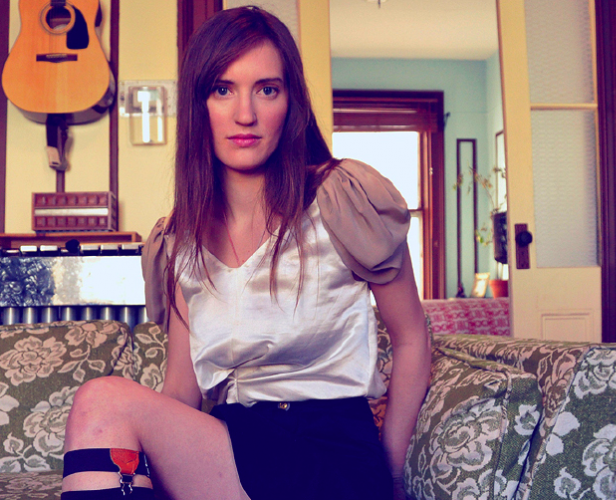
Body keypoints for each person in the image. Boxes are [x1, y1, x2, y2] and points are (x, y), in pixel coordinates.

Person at [60, 6, 431, 500]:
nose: (245, 114)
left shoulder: (343, 200)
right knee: (101, 408)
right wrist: (152, 449)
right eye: (223, 89)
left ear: (290, 101)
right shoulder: (182, 241)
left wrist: (394, 476)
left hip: (329, 450)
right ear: (199, 106)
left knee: (102, 398)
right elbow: (181, 392)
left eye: (267, 89)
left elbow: (411, 339)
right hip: (234, 446)